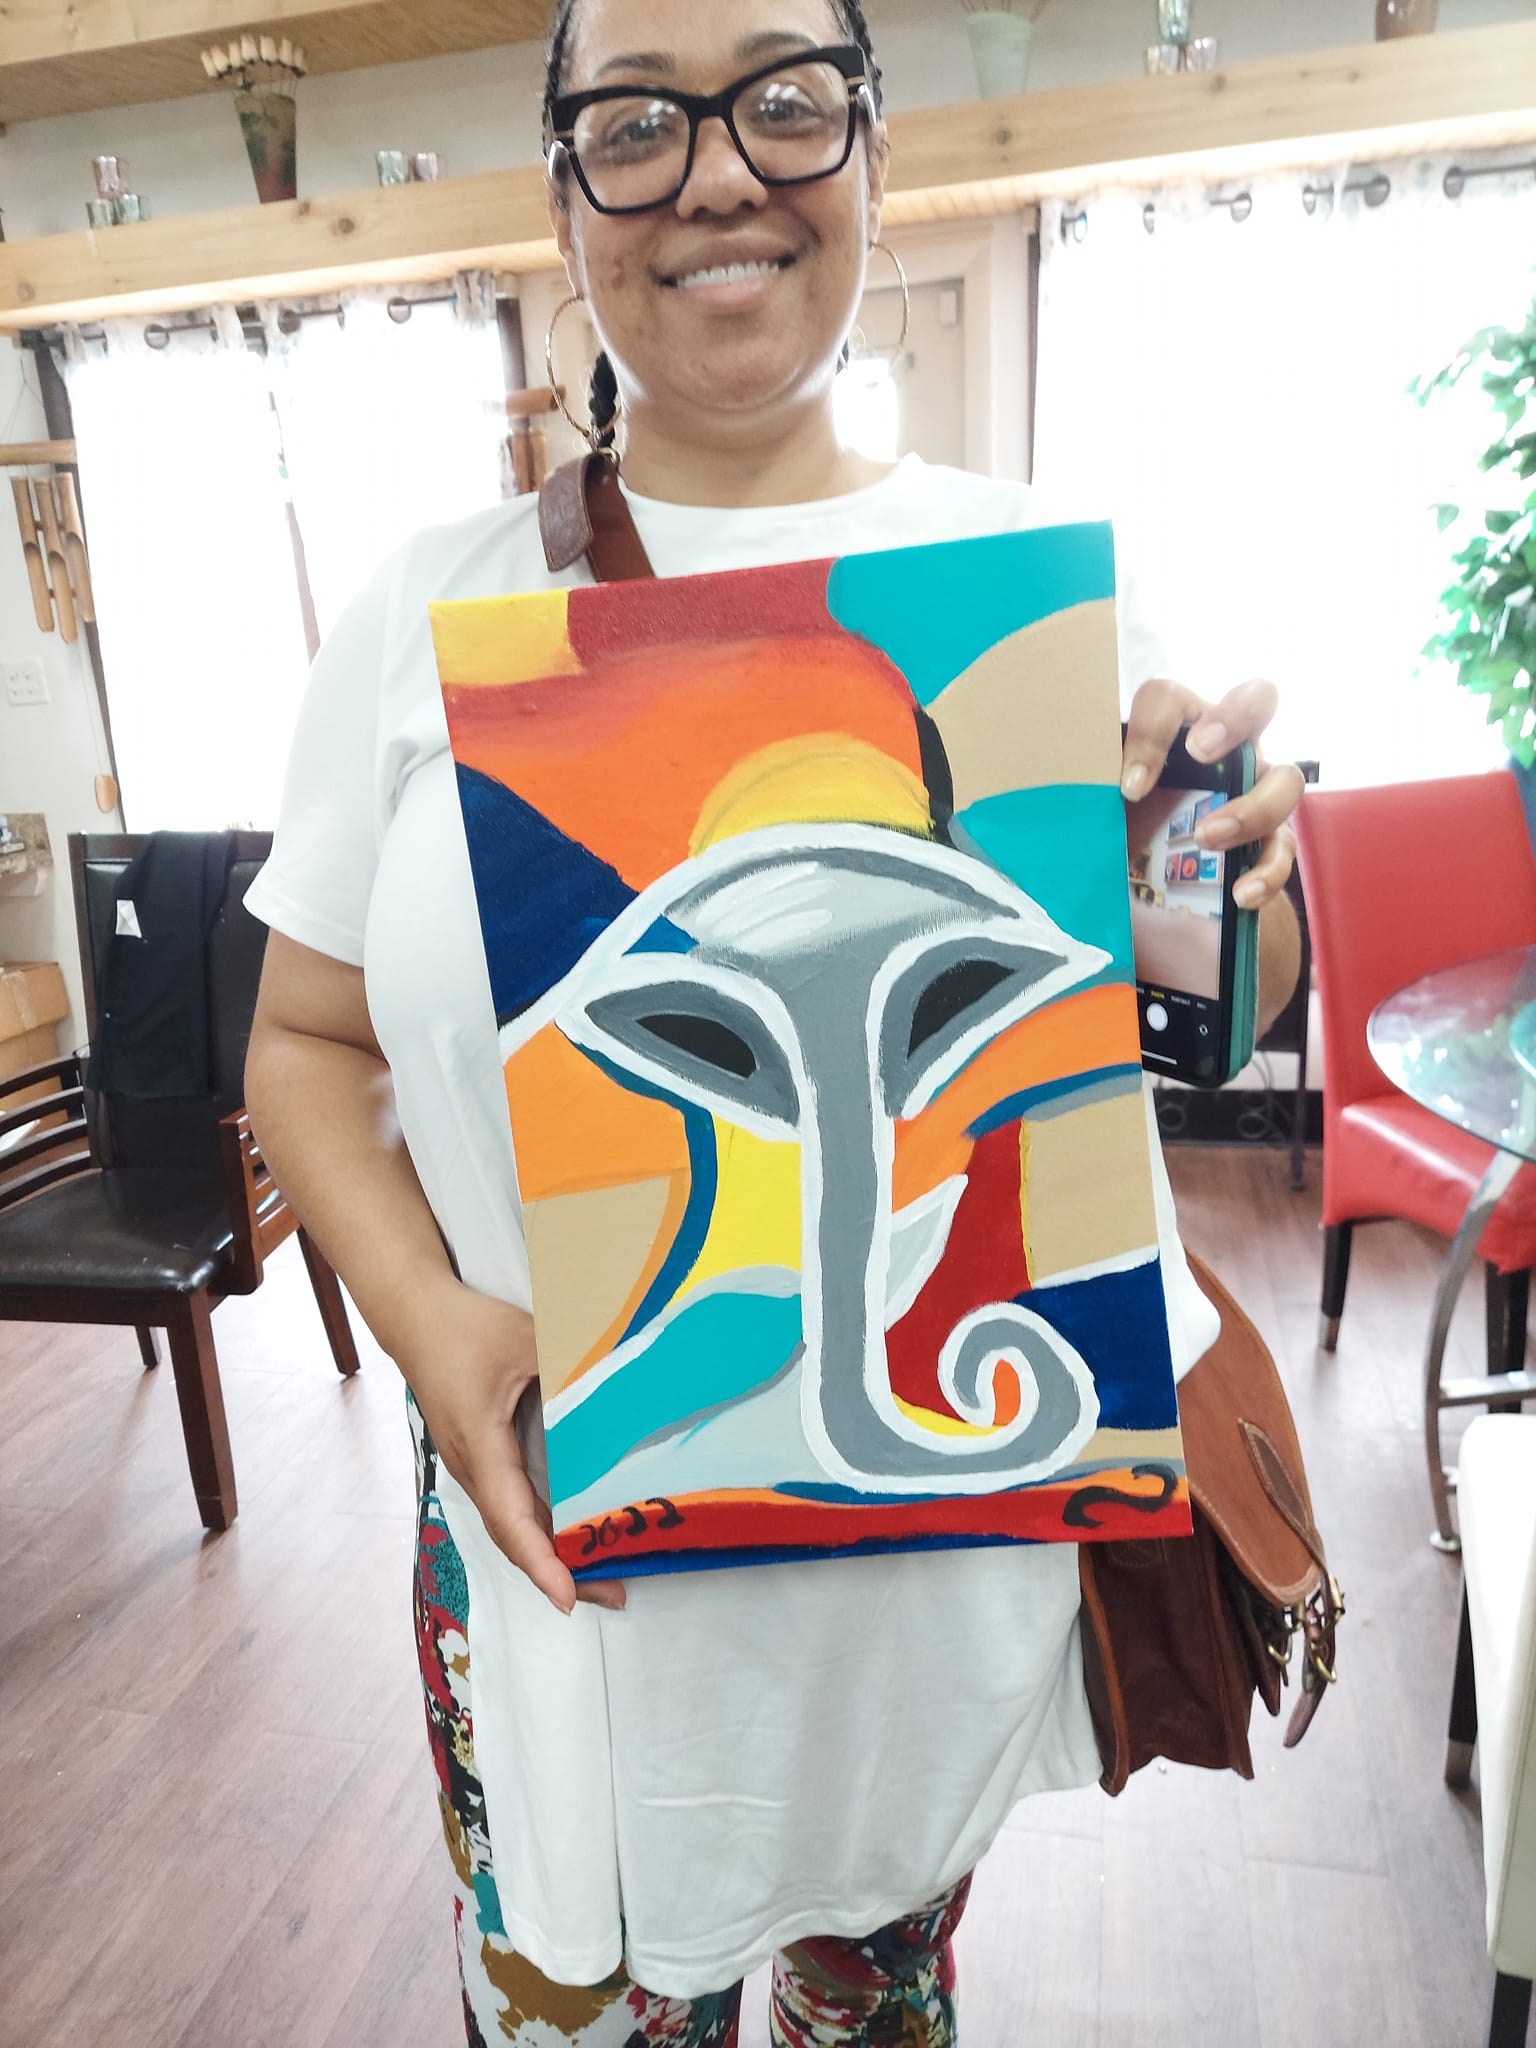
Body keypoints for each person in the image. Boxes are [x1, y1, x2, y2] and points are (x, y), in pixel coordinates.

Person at [242, 1, 1305, 2041]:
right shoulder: (418, 617)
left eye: (782, 99)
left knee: (878, 1993)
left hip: (911, 1607)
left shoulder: (1033, 603)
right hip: (563, 1581)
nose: (720, 167)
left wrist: (1250, 882)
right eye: (637, 122)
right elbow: (303, 1042)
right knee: (555, 2001)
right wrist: (429, 1324)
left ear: (873, 158)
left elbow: (1186, 1009)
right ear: (565, 204)